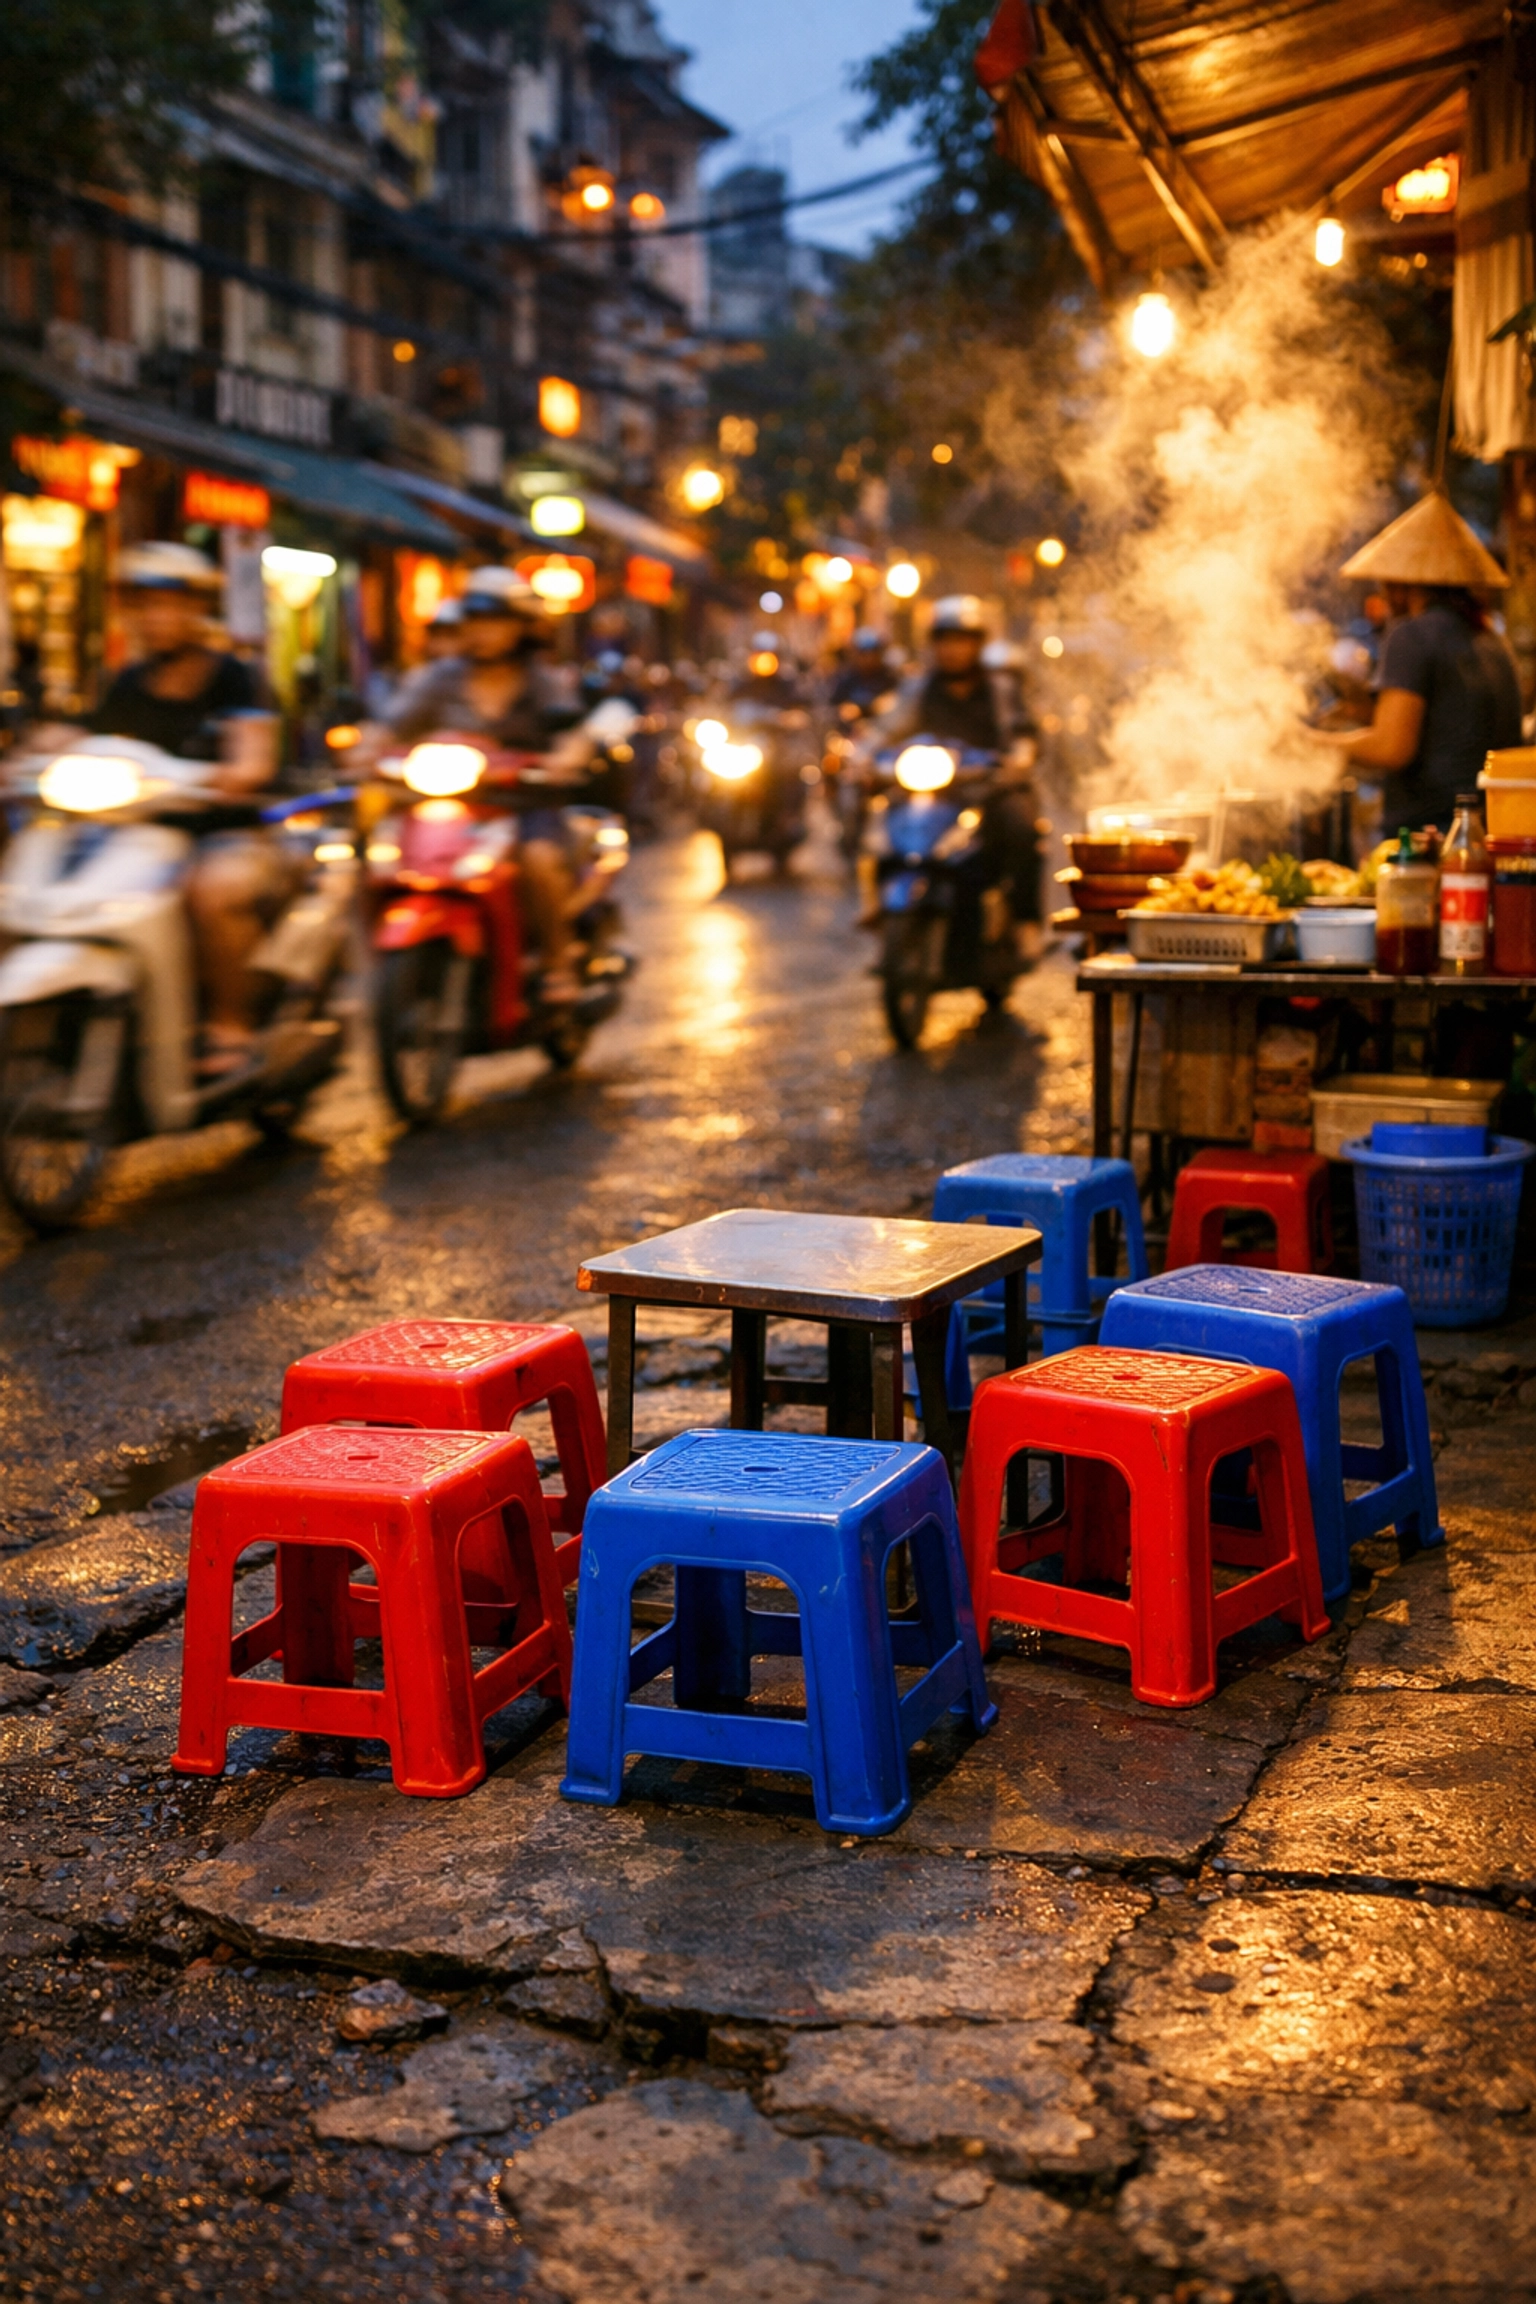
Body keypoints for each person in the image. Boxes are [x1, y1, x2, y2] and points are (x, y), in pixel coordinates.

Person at [82, 543, 286, 1079]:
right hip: (144, 838)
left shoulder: (235, 676)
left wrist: (234, 772)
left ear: (199, 609)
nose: (156, 617)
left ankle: (232, 1023)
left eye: (170, 604)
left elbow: (254, 754)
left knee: (211, 892)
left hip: (224, 836)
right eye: (144, 605)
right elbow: (86, 738)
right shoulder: (126, 682)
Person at [383, 566, 597, 1002]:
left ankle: (558, 961)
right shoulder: (439, 678)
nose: (482, 632)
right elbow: (390, 726)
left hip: (523, 805)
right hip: (455, 807)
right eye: (474, 621)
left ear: (521, 627)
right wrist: (365, 749)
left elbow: (574, 734)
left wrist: (566, 758)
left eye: (494, 621)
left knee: (538, 860)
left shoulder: (543, 682)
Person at [1313, 492, 1523, 835]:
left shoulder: (1411, 635)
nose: (1380, 590)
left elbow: (1392, 747)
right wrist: (1362, 711)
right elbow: (1450, 723)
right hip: (1488, 832)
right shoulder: (1490, 639)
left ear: (1403, 583)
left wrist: (1307, 742)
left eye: (1385, 580)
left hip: (1428, 838)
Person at [877, 594, 1043, 942]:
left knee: (1022, 830)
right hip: (935, 789)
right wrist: (863, 758)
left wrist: (1019, 758)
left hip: (988, 786)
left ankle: (1024, 922)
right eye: (944, 640)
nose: (951, 650)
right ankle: (876, 907)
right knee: (879, 832)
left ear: (977, 645)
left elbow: (1023, 732)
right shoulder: (919, 688)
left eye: (961, 641)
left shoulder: (999, 688)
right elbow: (886, 729)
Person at [830, 629, 894, 722]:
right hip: (850, 729)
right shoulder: (846, 677)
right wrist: (842, 709)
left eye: (873, 653)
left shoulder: (889, 676)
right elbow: (833, 705)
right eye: (864, 654)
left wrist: (865, 710)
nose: (869, 659)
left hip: (882, 728)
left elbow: (892, 703)